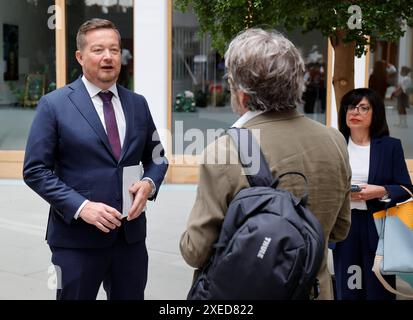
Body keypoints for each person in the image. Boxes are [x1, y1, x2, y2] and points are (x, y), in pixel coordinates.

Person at [179, 28, 352, 300]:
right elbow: (340, 230)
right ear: (297, 83)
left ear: (243, 96)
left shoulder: (224, 151)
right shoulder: (335, 140)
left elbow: (195, 251)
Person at [23, 19, 168, 300]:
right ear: (80, 56)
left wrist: (149, 182)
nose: (108, 57)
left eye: (114, 50)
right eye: (98, 50)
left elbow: (157, 157)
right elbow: (35, 170)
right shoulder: (54, 105)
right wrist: (82, 207)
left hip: (130, 240)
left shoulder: (137, 103)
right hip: (75, 242)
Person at [333, 88, 413, 300]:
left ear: (375, 113)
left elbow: (406, 189)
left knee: (379, 290)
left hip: (378, 225)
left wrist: (381, 190)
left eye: (363, 108)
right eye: (351, 107)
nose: (355, 112)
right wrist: (342, 193)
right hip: (345, 225)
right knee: (349, 289)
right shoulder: (335, 144)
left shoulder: (390, 147)